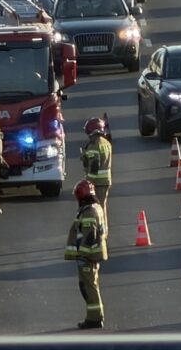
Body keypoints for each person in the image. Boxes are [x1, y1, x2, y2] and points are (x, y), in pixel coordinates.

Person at [64, 179, 108, 330]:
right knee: (89, 286)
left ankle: (95, 319)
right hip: (91, 255)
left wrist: (83, 255)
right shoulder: (96, 207)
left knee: (89, 287)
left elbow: (89, 235)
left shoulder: (89, 211)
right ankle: (93, 317)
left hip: (88, 256)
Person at [81, 118, 112, 228]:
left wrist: (88, 183)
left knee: (97, 208)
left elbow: (94, 166)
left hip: (97, 182)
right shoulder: (106, 143)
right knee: (102, 207)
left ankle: (100, 232)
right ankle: (103, 230)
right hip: (105, 180)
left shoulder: (94, 145)